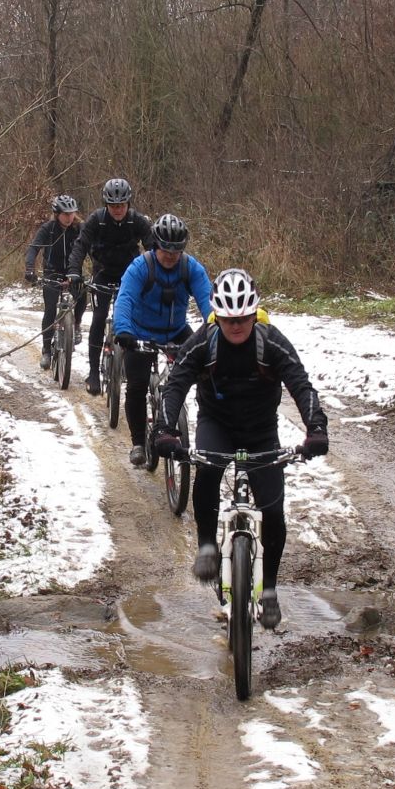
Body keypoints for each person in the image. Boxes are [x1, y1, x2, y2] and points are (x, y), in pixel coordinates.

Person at [152, 268, 328, 629]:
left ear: (253, 314)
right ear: (217, 316)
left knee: (273, 509)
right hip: (217, 425)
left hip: (261, 431)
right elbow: (176, 385)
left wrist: (316, 428)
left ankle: (270, 590)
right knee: (208, 472)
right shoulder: (204, 342)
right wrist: (165, 430)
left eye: (243, 318)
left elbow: (301, 383)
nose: (236, 326)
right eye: (229, 319)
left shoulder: (271, 341)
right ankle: (206, 546)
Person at [111, 214, 211, 467]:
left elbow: (208, 301)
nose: (170, 256)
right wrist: (123, 330)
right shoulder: (140, 267)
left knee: (206, 371)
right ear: (156, 245)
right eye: (166, 250)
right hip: (140, 332)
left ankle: (209, 425)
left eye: (176, 251)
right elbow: (125, 299)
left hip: (176, 331)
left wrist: (215, 328)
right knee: (137, 386)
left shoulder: (191, 268)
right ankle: (138, 442)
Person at [65, 177, 155, 396]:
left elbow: (153, 248)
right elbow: (80, 246)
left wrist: (158, 274)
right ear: (106, 205)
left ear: (128, 204)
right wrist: (74, 271)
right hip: (103, 274)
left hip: (130, 276)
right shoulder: (96, 220)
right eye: (113, 206)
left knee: (133, 319)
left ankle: (131, 365)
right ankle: (93, 373)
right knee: (99, 318)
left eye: (121, 205)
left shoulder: (137, 221)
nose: (118, 210)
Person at [23, 195, 84, 368]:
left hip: (73, 272)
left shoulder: (79, 228)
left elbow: (92, 246)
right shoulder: (48, 229)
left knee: (82, 294)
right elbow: (34, 248)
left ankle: (76, 325)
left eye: (72, 213)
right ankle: (46, 350)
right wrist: (30, 269)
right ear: (57, 214)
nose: (69, 217)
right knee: (50, 309)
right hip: (52, 273)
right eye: (65, 214)